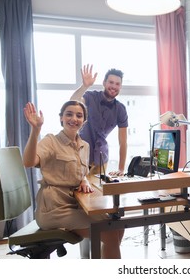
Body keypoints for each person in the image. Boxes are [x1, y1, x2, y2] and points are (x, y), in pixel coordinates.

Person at [22, 101, 124, 258]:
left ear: (84, 121)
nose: (74, 118)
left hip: (75, 205)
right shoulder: (51, 141)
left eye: (79, 115)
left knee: (117, 224)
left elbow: (80, 171)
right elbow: (28, 162)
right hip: (54, 209)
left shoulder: (85, 145)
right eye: (69, 114)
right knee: (110, 234)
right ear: (61, 118)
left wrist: (84, 180)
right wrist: (35, 130)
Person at [70, 64, 128, 177]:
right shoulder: (90, 97)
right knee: (78, 192)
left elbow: (123, 142)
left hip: (101, 160)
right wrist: (84, 86)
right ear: (104, 83)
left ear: (120, 87)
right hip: (80, 156)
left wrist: (121, 169)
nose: (114, 86)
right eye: (111, 82)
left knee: (97, 193)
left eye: (117, 84)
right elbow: (72, 102)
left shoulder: (120, 109)